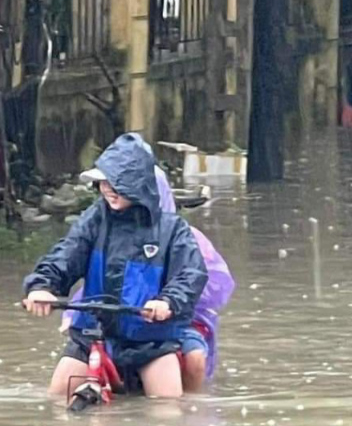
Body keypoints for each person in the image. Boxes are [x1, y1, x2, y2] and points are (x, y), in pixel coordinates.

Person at [22, 133, 208, 401]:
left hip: (151, 341)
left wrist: (168, 302)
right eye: (103, 182)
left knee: (168, 417)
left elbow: (191, 274)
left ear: (138, 184)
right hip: (91, 334)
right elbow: (66, 253)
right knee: (56, 401)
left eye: (115, 183)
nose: (107, 189)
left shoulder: (172, 229)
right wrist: (42, 286)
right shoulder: (95, 219)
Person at [60, 166, 236, 393]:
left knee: (194, 358)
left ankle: (192, 405)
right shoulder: (105, 231)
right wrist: (70, 311)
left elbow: (205, 282)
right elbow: (92, 277)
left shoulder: (184, 236)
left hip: (171, 321)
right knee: (59, 391)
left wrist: (170, 303)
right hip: (116, 316)